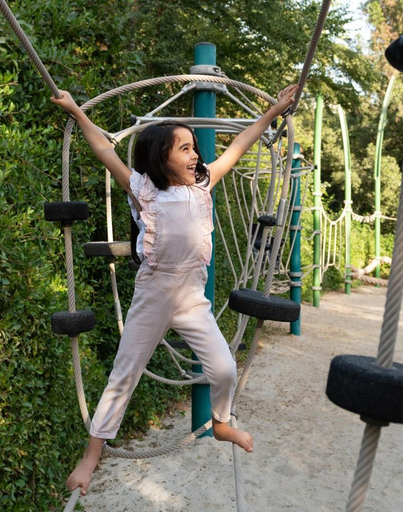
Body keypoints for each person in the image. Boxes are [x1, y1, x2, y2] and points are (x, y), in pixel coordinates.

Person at [51, 83, 299, 496]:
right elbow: (104, 150)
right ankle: (92, 455)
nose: (195, 155)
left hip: (192, 299)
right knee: (123, 374)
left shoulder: (204, 185)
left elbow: (238, 144)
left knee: (224, 368)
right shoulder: (144, 191)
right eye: (184, 148)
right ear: (159, 157)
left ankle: (220, 423)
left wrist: (272, 112)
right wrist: (78, 112)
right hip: (154, 296)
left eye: (194, 147)